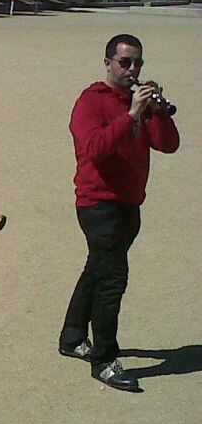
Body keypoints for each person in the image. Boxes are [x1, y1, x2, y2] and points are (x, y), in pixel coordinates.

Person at [58, 34, 179, 392]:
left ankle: (72, 336)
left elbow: (168, 145)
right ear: (108, 62)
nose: (132, 70)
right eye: (125, 62)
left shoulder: (138, 103)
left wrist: (156, 113)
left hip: (129, 205)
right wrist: (131, 115)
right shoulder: (90, 102)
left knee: (98, 269)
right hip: (98, 205)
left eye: (137, 63)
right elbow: (93, 148)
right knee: (113, 280)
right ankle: (104, 360)